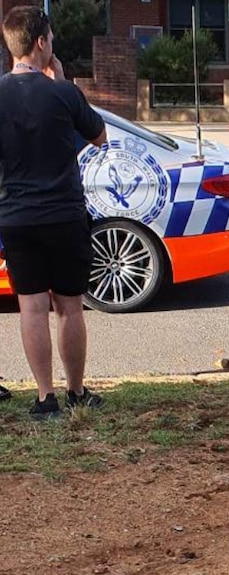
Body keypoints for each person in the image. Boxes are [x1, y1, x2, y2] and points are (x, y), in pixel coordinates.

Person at [0, 6, 107, 419]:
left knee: (31, 307)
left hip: (16, 217)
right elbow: (99, 136)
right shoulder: (63, 93)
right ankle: (76, 391)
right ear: (41, 42)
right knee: (69, 307)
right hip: (64, 214)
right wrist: (61, 84)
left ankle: (45, 398)